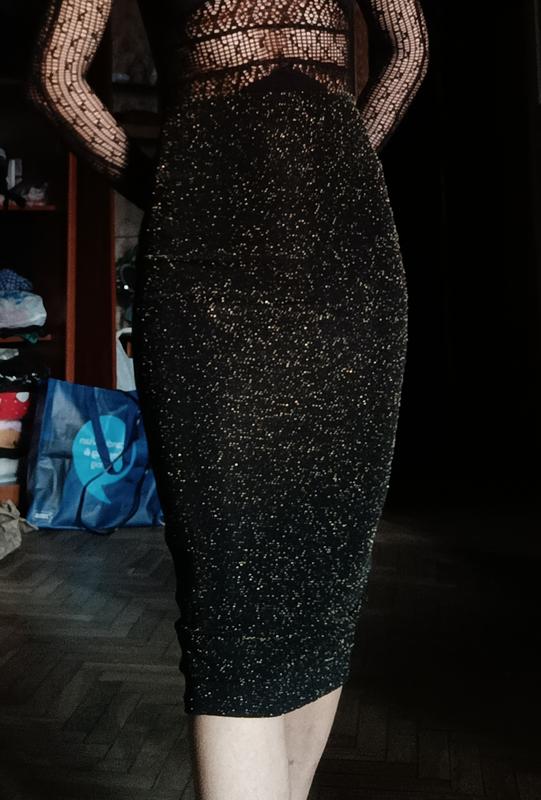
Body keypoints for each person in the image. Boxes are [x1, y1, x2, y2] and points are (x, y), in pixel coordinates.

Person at [26, 1, 429, 798]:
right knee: (232, 603)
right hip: (209, 278)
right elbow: (55, 78)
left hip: (348, 274)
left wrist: (344, 166)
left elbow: (409, 48)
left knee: (327, 577)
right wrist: (170, 186)